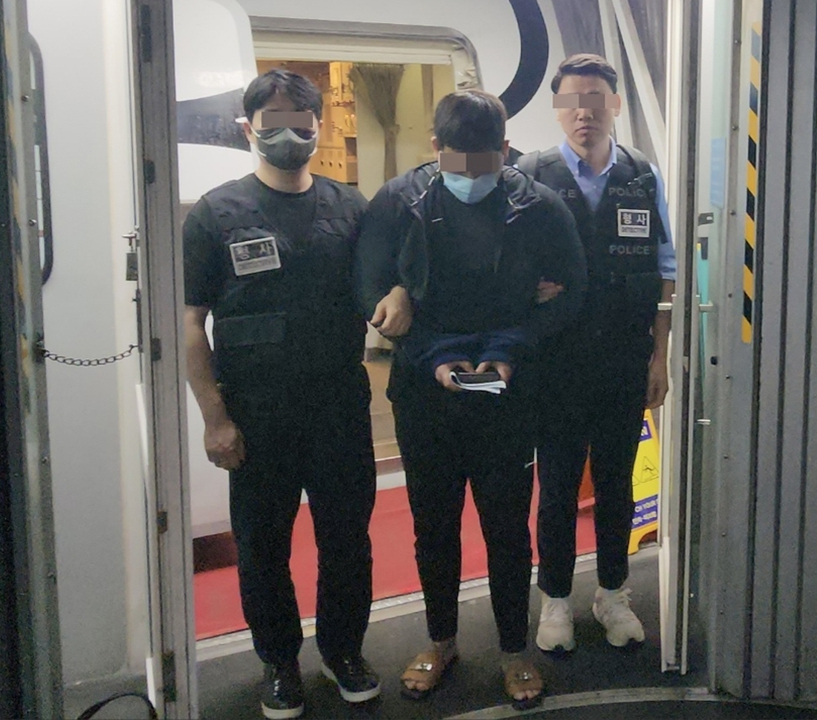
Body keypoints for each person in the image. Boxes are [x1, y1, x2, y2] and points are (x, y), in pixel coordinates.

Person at [354, 89, 588, 710]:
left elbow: (573, 292)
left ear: (505, 149)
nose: (473, 175)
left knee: (507, 530)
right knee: (433, 527)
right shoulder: (398, 202)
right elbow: (368, 287)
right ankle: (441, 641)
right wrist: (427, 348)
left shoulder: (538, 206)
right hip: (425, 392)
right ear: (435, 147)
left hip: (506, 391)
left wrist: (511, 349)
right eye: (459, 162)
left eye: (487, 162)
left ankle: (514, 650)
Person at [182, 69, 380, 720]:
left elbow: (385, 282)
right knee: (263, 547)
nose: (289, 134)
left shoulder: (351, 208)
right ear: (249, 128)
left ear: (319, 126)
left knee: (346, 540)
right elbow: (190, 324)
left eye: (302, 122)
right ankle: (279, 663)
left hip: (338, 409)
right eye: (273, 123)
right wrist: (214, 419)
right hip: (257, 415)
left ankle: (344, 652)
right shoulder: (216, 213)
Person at [515, 53, 676, 654]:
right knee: (557, 488)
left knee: (616, 484)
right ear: (558, 108)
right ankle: (555, 598)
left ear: (614, 105)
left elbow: (666, 272)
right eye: (572, 101)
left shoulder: (643, 176)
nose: (584, 112)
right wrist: (523, 289)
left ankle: (613, 593)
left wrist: (659, 358)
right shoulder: (528, 175)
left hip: (623, 361)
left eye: (596, 99)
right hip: (554, 364)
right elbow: (501, 263)